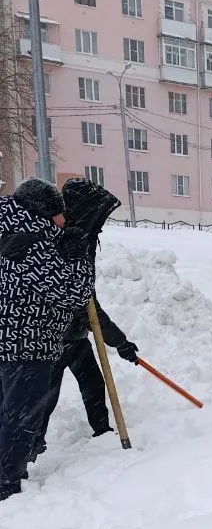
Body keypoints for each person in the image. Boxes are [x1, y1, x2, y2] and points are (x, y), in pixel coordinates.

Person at [0, 179, 94, 501]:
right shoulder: (35, 242)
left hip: (6, 339)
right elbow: (75, 294)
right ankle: (7, 484)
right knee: (23, 416)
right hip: (28, 343)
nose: (63, 220)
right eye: (58, 213)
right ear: (42, 212)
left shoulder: (7, 228)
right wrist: (77, 258)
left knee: (6, 411)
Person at [32, 178, 137, 456]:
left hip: (74, 336)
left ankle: (101, 430)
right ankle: (29, 446)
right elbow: (83, 305)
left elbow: (88, 301)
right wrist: (119, 341)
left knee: (93, 384)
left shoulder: (81, 239)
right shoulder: (63, 242)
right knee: (44, 397)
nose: (100, 223)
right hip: (52, 339)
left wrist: (119, 342)